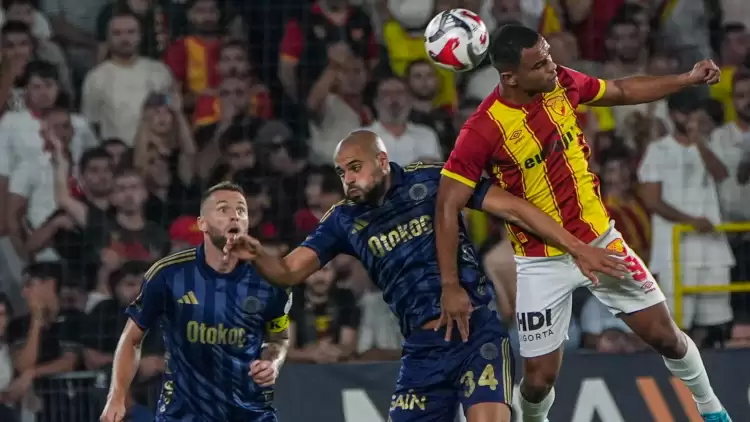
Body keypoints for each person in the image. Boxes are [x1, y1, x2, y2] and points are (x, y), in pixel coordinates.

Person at [434, 24, 731, 422]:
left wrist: (685, 79)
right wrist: (449, 285)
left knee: (667, 337)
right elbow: (446, 205)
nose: (551, 67)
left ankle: (713, 411)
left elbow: (620, 90)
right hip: (540, 261)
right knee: (538, 380)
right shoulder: (482, 129)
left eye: (548, 56)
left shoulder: (561, 82)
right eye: (539, 65)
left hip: (601, 241)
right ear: (510, 77)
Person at [222, 130, 625, 422]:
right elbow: (289, 271)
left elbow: (515, 208)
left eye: (356, 168)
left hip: (477, 333)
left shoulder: (433, 180)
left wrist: (578, 248)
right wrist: (257, 254)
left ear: (382, 161)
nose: (348, 180)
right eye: (342, 172)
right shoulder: (343, 220)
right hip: (422, 349)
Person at [99, 182, 292, 422]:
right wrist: (116, 396)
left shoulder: (269, 280)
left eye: (241, 210)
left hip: (249, 414)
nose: (235, 215)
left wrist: (272, 362)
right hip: (183, 415)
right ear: (202, 224)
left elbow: (279, 337)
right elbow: (132, 338)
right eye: (223, 209)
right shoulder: (168, 274)